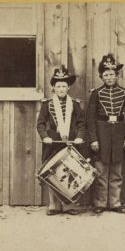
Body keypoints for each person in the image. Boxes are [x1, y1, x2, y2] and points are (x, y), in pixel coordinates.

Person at [86, 54, 125, 214]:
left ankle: (114, 203)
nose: (109, 77)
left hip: (119, 135)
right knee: (101, 171)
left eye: (112, 74)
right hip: (101, 134)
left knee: (116, 172)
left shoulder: (124, 94)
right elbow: (90, 119)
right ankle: (100, 203)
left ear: (117, 75)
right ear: (101, 76)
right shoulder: (96, 94)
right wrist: (93, 139)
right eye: (105, 75)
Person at [36, 66, 86, 216]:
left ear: (68, 87)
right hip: (53, 142)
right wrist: (45, 136)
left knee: (70, 171)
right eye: (58, 86)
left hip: (71, 141)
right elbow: (40, 123)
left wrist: (79, 137)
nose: (61, 89)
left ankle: (69, 204)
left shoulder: (75, 105)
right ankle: (53, 204)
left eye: (64, 86)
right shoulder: (47, 104)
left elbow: (81, 123)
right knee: (53, 172)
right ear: (53, 87)